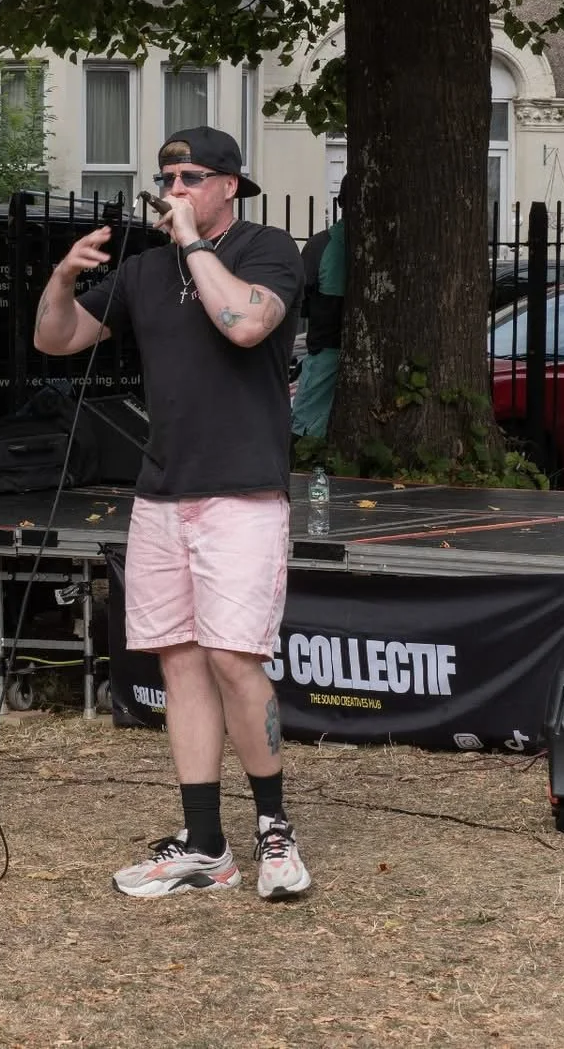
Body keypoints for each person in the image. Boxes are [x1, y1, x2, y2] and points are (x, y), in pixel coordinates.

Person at [33, 126, 311, 901]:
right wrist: (62, 278)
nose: (173, 190)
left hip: (242, 491)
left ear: (230, 185)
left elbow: (245, 323)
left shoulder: (267, 250)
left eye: (190, 177)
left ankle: (274, 827)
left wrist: (193, 243)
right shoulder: (144, 271)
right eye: (166, 179)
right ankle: (206, 844)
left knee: (233, 657)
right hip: (161, 494)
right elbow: (57, 339)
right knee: (180, 659)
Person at [291, 174, 350, 440]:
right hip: (332, 348)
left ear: (340, 202)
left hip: (325, 348)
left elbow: (300, 304)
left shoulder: (320, 245)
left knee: (304, 431)